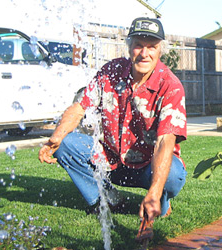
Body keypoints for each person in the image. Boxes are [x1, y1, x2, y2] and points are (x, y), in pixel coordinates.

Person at [38, 17, 187, 223]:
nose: (145, 53)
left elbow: (165, 141)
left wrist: (153, 192)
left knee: (172, 175)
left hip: (147, 166)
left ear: (160, 51)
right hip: (110, 160)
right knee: (66, 144)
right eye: (138, 46)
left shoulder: (170, 85)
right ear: (129, 48)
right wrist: (56, 137)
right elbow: (80, 106)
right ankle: (108, 200)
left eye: (151, 47)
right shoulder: (111, 71)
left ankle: (160, 198)